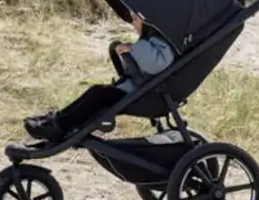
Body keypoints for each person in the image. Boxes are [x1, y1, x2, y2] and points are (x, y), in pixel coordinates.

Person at [23, 12, 175, 143]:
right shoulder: (157, 38)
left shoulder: (163, 40)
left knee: (100, 95)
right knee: (97, 91)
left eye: (135, 18)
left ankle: (60, 126)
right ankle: (58, 120)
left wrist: (133, 49)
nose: (132, 22)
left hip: (148, 95)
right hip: (142, 89)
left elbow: (156, 64)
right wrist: (131, 51)